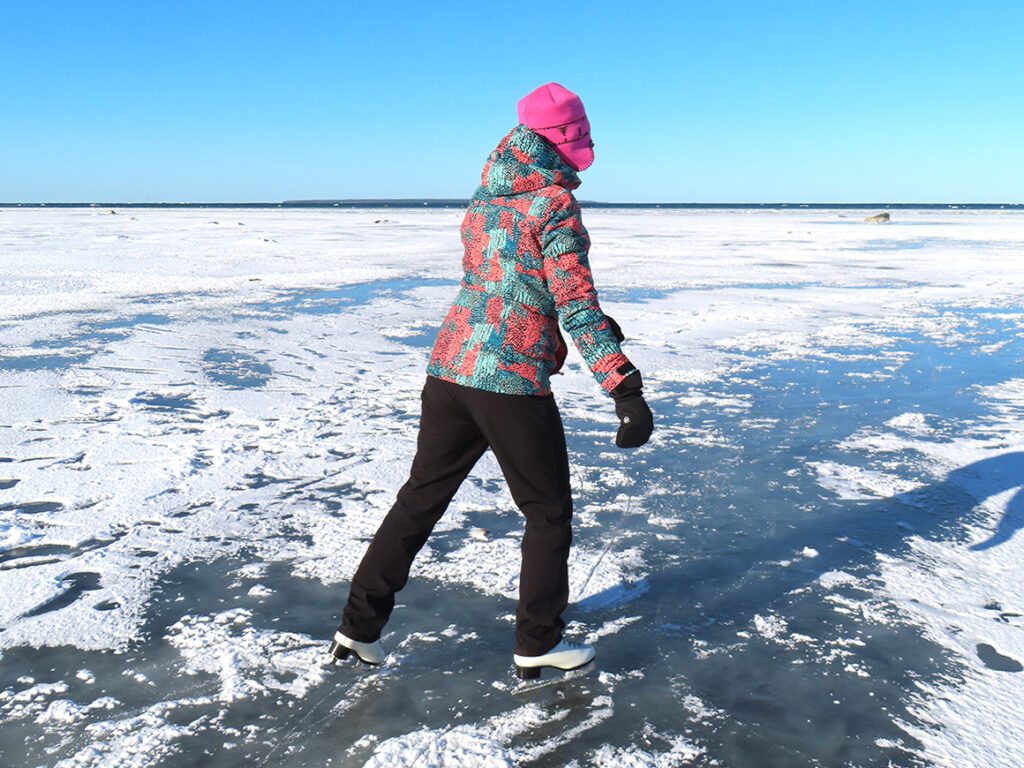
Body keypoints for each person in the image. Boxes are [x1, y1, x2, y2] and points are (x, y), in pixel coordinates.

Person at [329, 82, 653, 680]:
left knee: (421, 497)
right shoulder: (552, 203)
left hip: (451, 366)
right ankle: (537, 642)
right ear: (565, 137)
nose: (588, 141)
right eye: (581, 131)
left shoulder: (485, 196)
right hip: (509, 377)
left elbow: (505, 281)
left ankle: (357, 629)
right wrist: (624, 388)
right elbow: (574, 304)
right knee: (548, 511)